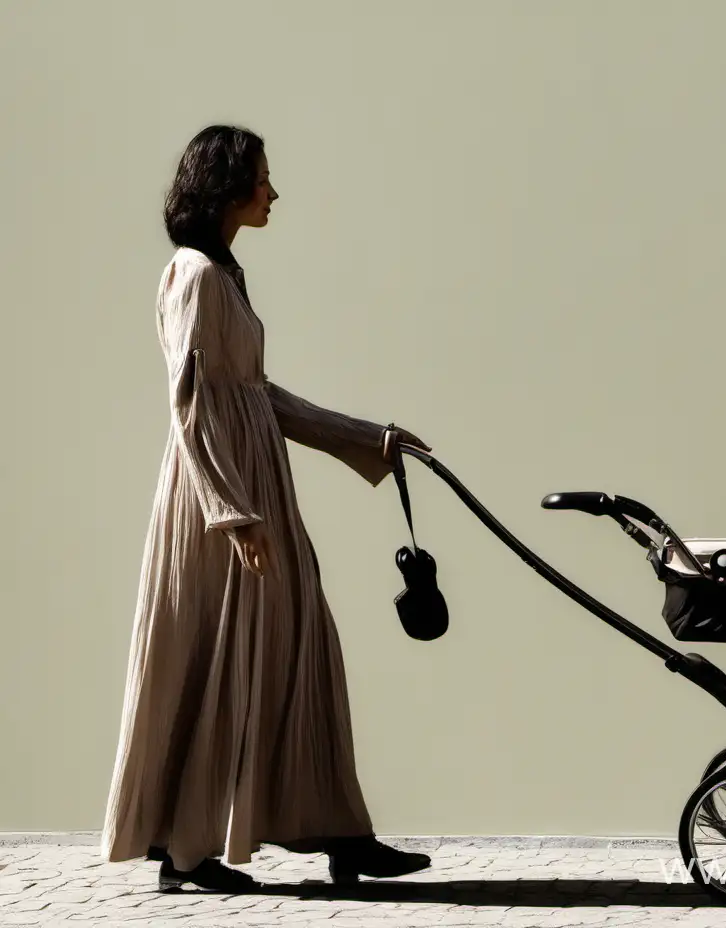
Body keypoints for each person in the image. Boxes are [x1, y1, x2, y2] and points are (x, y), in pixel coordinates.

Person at [101, 125, 432, 892]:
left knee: (298, 653)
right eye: (262, 179)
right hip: (222, 501)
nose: (273, 193)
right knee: (221, 665)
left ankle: (338, 833)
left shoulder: (225, 273)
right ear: (226, 186)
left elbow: (257, 396)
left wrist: (368, 438)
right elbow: (189, 403)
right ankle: (184, 855)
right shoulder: (193, 275)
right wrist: (230, 511)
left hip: (254, 492)